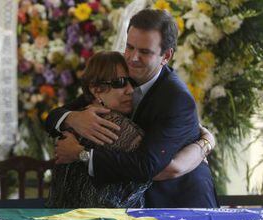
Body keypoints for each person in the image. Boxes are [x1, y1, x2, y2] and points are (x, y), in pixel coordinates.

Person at [46, 9, 218, 208]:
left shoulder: (177, 100)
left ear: (166, 56)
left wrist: (81, 154)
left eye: (144, 52)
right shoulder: (120, 72)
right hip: (134, 204)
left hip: (180, 202)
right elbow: (55, 117)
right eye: (129, 47)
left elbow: (148, 166)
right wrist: (72, 118)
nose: (132, 58)